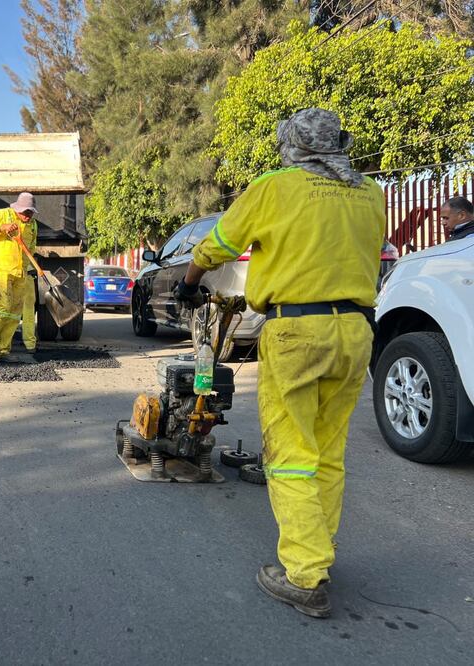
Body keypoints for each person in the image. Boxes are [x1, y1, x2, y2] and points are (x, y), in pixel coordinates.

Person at [175, 108, 385, 618]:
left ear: (290, 143)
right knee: (328, 451)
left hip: (298, 332)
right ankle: (320, 549)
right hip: (356, 330)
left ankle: (305, 574)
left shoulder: (275, 185)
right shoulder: (370, 193)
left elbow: (222, 243)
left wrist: (189, 281)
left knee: (289, 454)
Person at [0, 192, 38, 362]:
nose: (28, 216)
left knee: (15, 312)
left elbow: (31, 247)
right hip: (2, 269)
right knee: (3, 306)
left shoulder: (32, 225)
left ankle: (2, 350)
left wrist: (29, 265)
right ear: (18, 209)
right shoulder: (2, 214)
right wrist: (1, 228)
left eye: (31, 212)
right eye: (26, 212)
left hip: (21, 272)